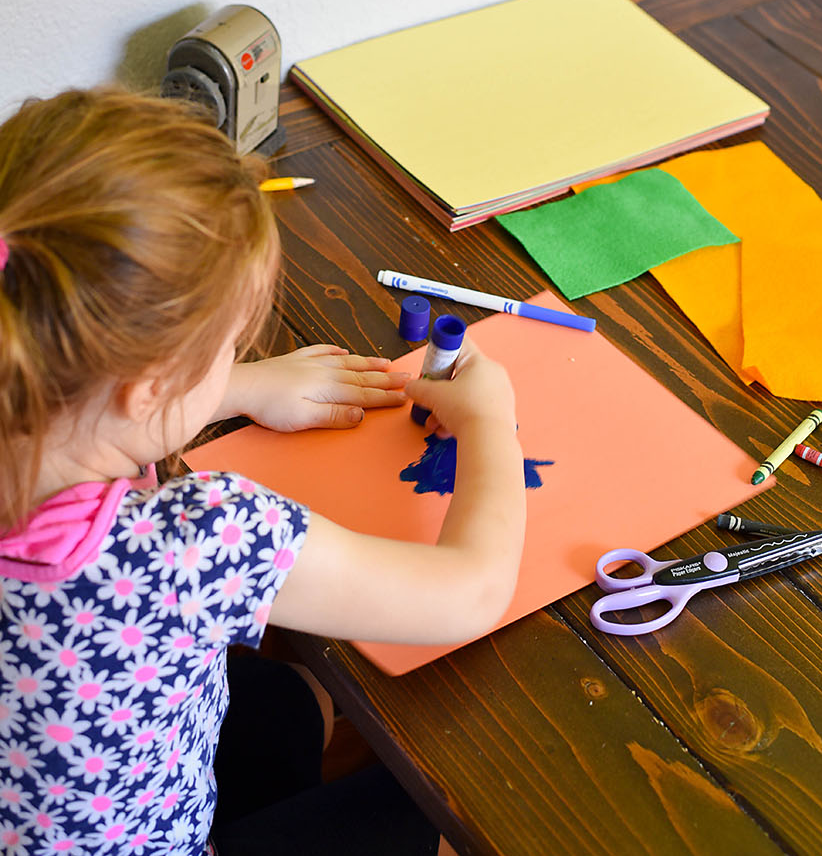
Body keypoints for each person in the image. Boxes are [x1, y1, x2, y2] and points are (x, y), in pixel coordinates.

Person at [0, 87, 526, 856]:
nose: (234, 363)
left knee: (282, 703)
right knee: (428, 803)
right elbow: (470, 594)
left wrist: (237, 387)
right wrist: (488, 422)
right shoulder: (198, 541)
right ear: (147, 389)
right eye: (226, 351)